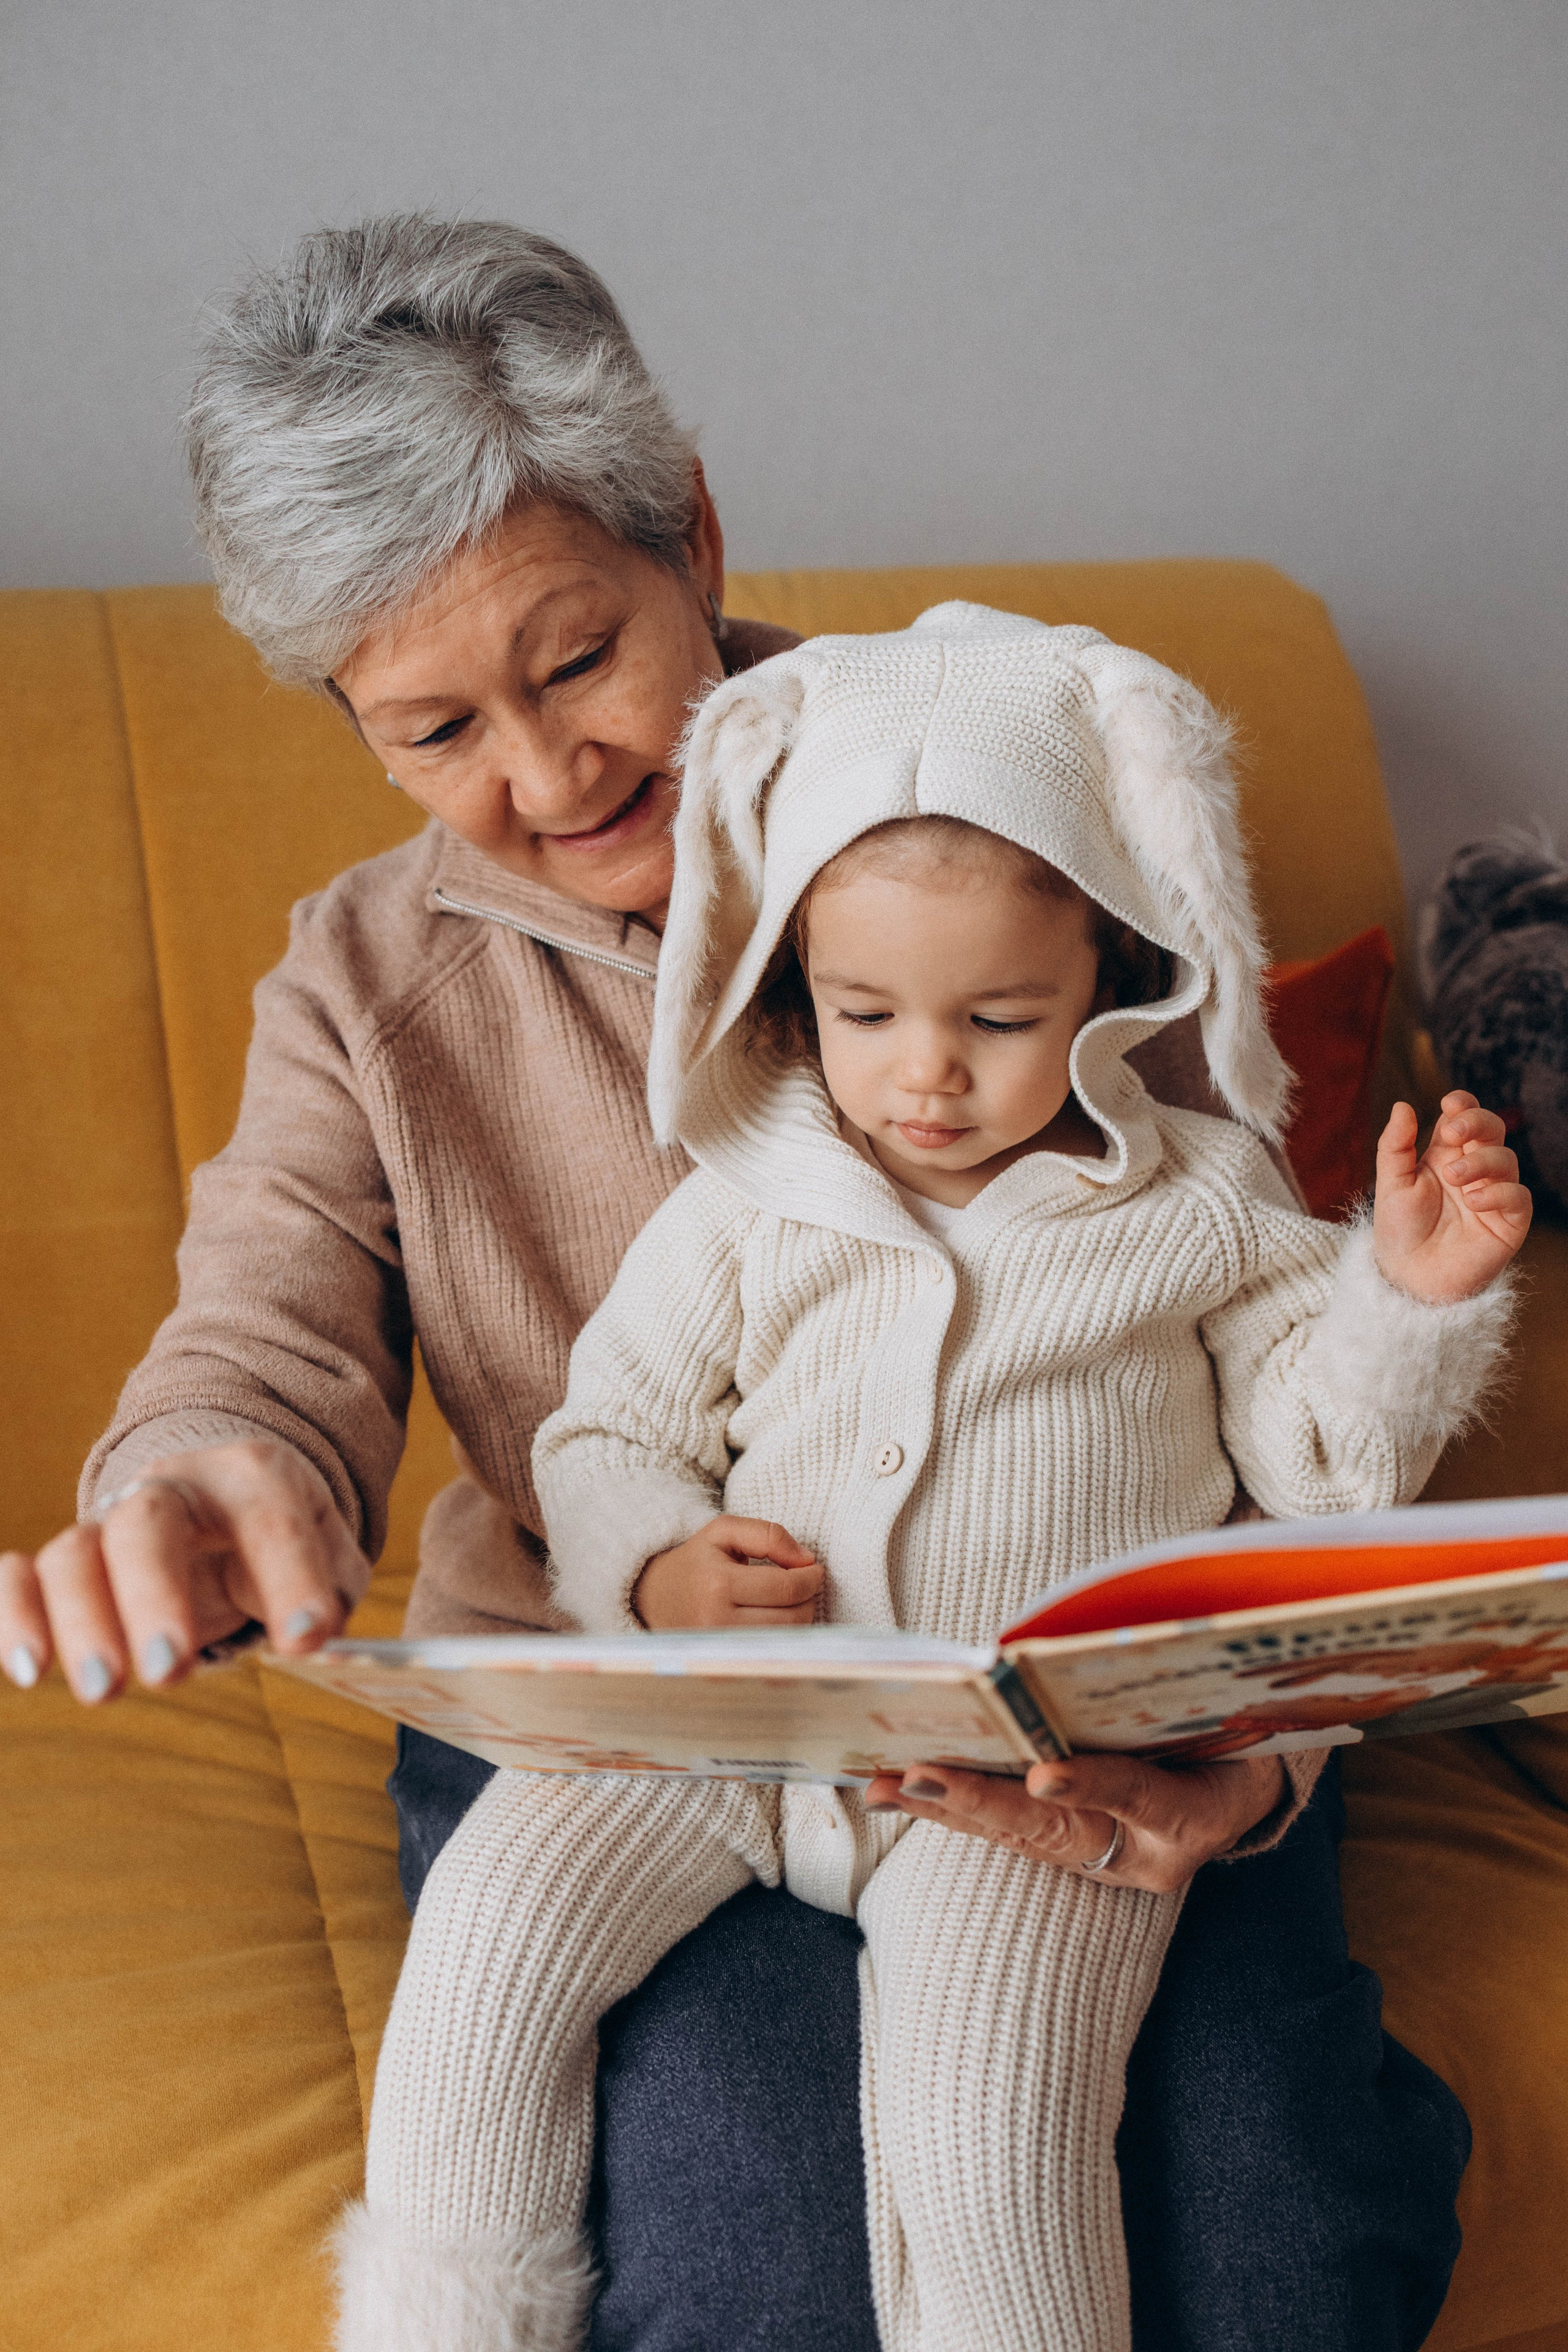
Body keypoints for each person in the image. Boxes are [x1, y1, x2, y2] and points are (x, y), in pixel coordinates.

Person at [0, 217, 1476, 2351]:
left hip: (1066, 1707)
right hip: (655, 1705)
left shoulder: (996, 825)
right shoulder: (368, 975)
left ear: (689, 532)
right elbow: (265, 1313)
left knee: (1268, 2245)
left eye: (579, 657)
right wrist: (205, 1468)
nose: (542, 775)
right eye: (429, 729)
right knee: (750, 2266)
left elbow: (1261, 1367)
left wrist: (1248, 1769)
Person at [346, 607, 1526, 2352]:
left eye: (997, 1017)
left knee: (986, 2142)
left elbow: (1320, 1464)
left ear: (1113, 988)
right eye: (864, 1010)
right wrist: (660, 1570)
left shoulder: (1194, 1205)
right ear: (789, 980)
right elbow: (609, 1437)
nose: (925, 1073)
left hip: (1028, 1784)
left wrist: (1410, 1301)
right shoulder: (750, 1192)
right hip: (739, 1719)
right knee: (491, 1942)